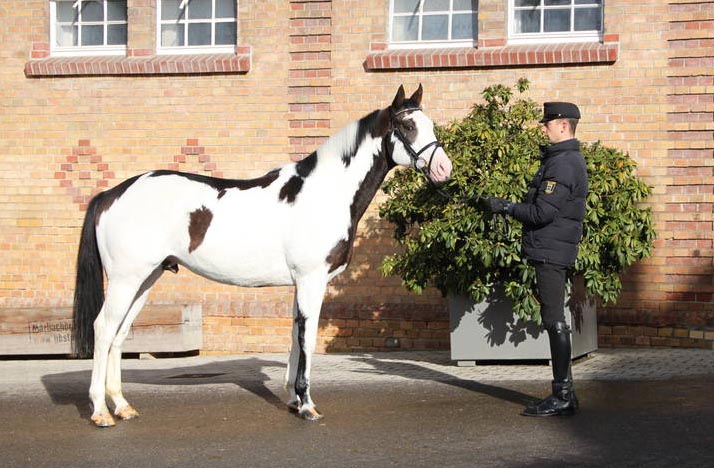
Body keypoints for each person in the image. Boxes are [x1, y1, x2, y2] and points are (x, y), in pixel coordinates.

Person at [481, 102, 588, 417]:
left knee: (554, 319)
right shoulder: (561, 159)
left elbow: (542, 212)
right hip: (551, 248)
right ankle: (566, 393)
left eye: (547, 124)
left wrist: (506, 207)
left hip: (551, 251)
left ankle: (563, 395)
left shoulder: (564, 163)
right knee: (554, 318)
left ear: (563, 126)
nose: (543, 128)